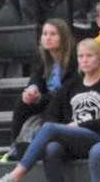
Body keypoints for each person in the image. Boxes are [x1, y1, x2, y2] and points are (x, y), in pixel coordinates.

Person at [0, 39, 100, 182]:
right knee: (52, 148)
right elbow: (51, 113)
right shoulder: (71, 85)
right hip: (76, 138)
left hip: (98, 136)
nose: (84, 60)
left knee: (49, 128)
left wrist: (78, 125)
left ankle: (17, 175)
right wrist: (63, 128)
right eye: (81, 56)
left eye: (89, 56)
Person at [8, 19, 76, 156]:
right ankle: (15, 143)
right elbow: (36, 77)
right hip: (46, 100)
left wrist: (40, 97)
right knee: (22, 102)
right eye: (45, 34)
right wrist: (31, 89)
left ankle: (33, 144)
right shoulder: (42, 57)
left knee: (52, 105)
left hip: (65, 104)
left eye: (53, 34)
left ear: (63, 37)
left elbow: (64, 92)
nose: (48, 38)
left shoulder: (74, 60)